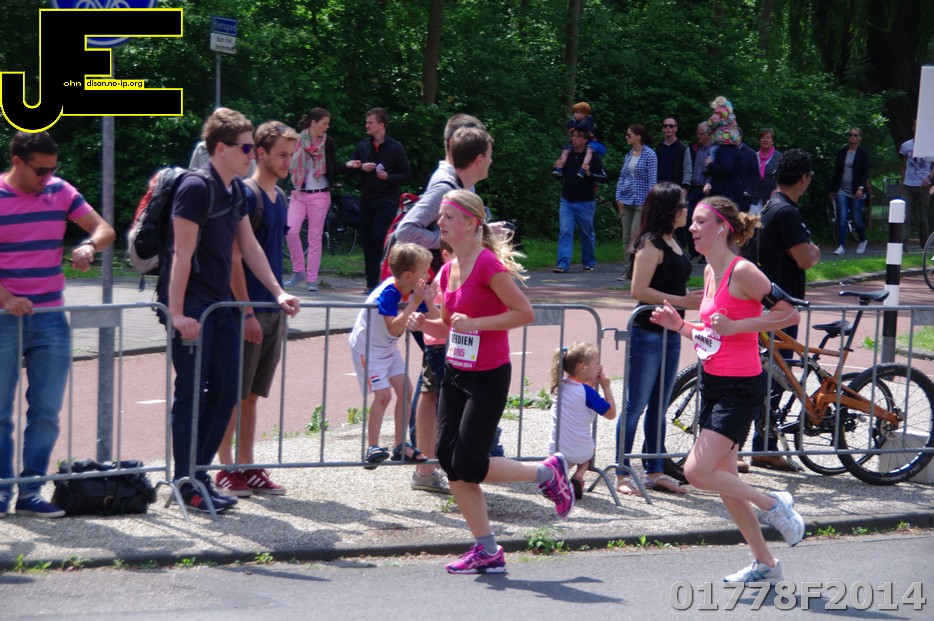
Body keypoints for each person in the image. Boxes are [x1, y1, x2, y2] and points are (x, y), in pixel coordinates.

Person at [408, 189, 573, 574]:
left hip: (488, 376)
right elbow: (449, 329)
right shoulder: (447, 269)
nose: (440, 222)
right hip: (455, 373)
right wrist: (424, 324)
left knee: (470, 461)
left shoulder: (487, 265)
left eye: (448, 217)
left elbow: (525, 313)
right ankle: (487, 550)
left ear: (471, 223)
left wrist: (476, 323)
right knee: (449, 460)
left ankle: (547, 473)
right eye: (440, 216)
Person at [651, 196, 805, 585]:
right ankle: (766, 564)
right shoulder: (709, 273)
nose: (692, 227)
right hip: (713, 382)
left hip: (741, 386)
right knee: (725, 480)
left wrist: (739, 327)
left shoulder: (743, 271)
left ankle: (774, 503)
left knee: (696, 472)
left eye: (701, 221)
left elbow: (788, 311)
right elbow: (711, 336)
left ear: (722, 227)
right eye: (692, 221)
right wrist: (679, 326)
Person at [159, 108, 301, 514]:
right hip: (193, 307)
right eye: (245, 148)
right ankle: (185, 481)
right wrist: (176, 314)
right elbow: (181, 254)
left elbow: (249, 246)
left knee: (226, 391)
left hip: (222, 305)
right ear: (221, 149)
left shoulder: (234, 190)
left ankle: (200, 474)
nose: (250, 154)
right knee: (191, 395)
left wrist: (277, 292)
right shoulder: (195, 187)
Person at [0, 131, 115, 519]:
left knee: (46, 413)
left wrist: (89, 245)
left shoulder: (60, 190)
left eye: (52, 169)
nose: (47, 177)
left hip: (50, 318)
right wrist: (6, 298)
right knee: (0, 414)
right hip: (4, 319)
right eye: (40, 171)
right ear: (17, 162)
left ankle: (31, 491)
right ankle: (1, 490)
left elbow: (105, 229)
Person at [215, 121, 300, 497]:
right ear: (260, 153)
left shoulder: (279, 196)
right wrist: (247, 311)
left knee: (251, 395)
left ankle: (247, 465)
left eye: (291, 155)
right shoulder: (247, 195)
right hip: (246, 309)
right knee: (233, 394)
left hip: (271, 309)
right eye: (281, 155)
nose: (287, 162)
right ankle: (224, 468)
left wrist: (278, 299)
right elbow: (237, 256)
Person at [616, 182, 701, 496]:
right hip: (648, 332)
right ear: (669, 209)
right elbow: (638, 290)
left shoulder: (673, 240)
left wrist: (689, 297)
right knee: (636, 405)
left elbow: (670, 284)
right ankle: (621, 472)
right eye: (682, 205)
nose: (687, 210)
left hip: (670, 332)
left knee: (659, 406)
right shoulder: (651, 243)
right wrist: (682, 301)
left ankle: (654, 470)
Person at [743, 149, 820, 473]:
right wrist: (814, 250)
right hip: (780, 306)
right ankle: (763, 446)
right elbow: (806, 258)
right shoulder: (787, 212)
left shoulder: (768, 206)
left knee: (767, 375)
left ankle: (762, 443)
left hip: (764, 303)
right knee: (774, 376)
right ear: (804, 179)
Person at [348, 242, 433, 468]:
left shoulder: (412, 291)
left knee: (406, 390)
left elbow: (433, 316)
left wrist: (428, 301)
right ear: (408, 275)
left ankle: (400, 445)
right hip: (368, 350)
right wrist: (415, 303)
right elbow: (394, 328)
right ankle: (372, 447)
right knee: (383, 395)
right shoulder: (388, 293)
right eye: (424, 271)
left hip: (387, 348)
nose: (428, 276)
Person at [346, 107, 412, 293]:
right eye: (366, 122)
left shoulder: (395, 148)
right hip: (367, 199)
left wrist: (388, 177)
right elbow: (350, 170)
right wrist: (358, 168)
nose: (366, 126)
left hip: (387, 199)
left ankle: (385, 279)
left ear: (381, 125)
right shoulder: (362, 147)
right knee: (367, 240)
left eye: (370, 122)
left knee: (379, 236)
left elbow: (406, 174)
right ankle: (371, 283)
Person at [409, 240, 454, 494]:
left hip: (447, 345)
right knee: (434, 400)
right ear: (446, 254)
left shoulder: (455, 270)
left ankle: (430, 467)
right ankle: (428, 468)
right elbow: (441, 319)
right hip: (441, 346)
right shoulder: (447, 274)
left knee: (434, 399)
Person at [548, 342, 617, 500]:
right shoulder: (587, 392)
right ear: (582, 367)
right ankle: (579, 476)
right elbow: (611, 414)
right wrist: (606, 387)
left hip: (555, 447)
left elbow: (579, 390)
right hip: (579, 450)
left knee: (567, 456)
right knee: (587, 454)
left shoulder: (560, 385)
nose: (600, 366)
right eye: (597, 363)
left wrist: (591, 381)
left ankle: (559, 474)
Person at [284, 107, 336, 292]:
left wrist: (348, 167)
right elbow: (288, 164)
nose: (326, 127)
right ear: (313, 122)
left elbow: (332, 167)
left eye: (328, 124)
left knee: (315, 237)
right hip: (299, 192)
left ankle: (312, 279)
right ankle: (299, 271)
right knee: (290, 230)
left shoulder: (328, 142)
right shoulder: (296, 140)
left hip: (320, 194)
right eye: (324, 123)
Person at [553, 128, 607, 273]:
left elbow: (603, 177)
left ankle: (589, 261)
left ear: (585, 140)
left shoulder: (592, 157)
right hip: (567, 200)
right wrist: (557, 166)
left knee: (586, 233)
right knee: (565, 231)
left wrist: (589, 173)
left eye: (578, 137)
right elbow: (559, 176)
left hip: (585, 202)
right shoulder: (568, 155)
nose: (574, 139)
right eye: (573, 136)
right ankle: (562, 264)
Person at [615, 124, 657, 281]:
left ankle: (637, 269)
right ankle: (628, 269)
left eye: (629, 135)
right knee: (626, 236)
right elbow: (622, 177)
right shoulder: (629, 155)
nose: (627, 137)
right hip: (627, 200)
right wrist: (618, 197)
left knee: (635, 235)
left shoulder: (650, 155)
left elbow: (652, 180)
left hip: (642, 201)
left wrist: (650, 202)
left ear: (638, 136)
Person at [829, 127, 869, 255]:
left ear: (860, 138)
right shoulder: (843, 152)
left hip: (857, 190)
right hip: (843, 190)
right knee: (842, 218)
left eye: (855, 135)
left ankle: (862, 240)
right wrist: (832, 189)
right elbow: (837, 171)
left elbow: (864, 172)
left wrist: (861, 188)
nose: (852, 137)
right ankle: (841, 245)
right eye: (850, 134)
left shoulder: (862, 153)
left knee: (857, 219)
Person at [899, 121, 934, 251]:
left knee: (922, 219)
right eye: (916, 126)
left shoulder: (929, 146)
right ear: (913, 128)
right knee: (905, 217)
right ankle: (903, 246)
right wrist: (902, 181)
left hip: (923, 186)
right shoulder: (906, 146)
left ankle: (924, 246)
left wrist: (929, 177)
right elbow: (904, 164)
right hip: (908, 185)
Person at [681, 122, 713, 258]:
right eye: (697, 133)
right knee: (688, 218)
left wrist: (709, 183)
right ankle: (693, 251)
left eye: (701, 133)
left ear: (708, 134)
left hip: (706, 190)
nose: (698, 136)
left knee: (705, 220)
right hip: (693, 188)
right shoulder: (694, 149)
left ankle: (705, 252)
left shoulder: (714, 150)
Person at [553, 101, 601, 179]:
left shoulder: (589, 119)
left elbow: (584, 127)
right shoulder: (575, 120)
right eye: (574, 112)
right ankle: (559, 168)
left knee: (589, 151)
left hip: (588, 142)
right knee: (565, 151)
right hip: (569, 185)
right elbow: (568, 125)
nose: (575, 114)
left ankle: (583, 168)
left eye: (578, 112)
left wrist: (575, 127)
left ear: (585, 114)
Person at [750, 128, 782, 216]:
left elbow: (782, 177)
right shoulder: (754, 156)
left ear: (772, 141)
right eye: (763, 138)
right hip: (754, 198)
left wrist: (777, 189)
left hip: (771, 198)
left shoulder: (779, 157)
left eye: (768, 138)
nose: (765, 140)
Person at [656, 117, 692, 190]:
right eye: (665, 126)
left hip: (676, 188)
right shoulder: (659, 147)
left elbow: (687, 170)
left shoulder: (683, 148)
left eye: (671, 126)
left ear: (676, 129)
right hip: (660, 188)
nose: (668, 128)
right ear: (663, 129)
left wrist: (685, 187)